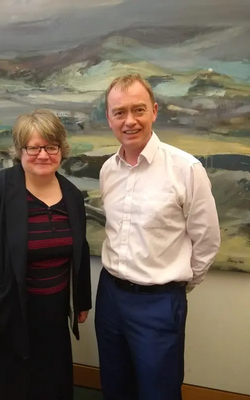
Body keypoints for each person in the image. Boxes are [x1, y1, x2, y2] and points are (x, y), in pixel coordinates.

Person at [0, 109, 91, 400]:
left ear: (61, 150)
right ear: (20, 150)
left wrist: (82, 300)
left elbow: (80, 249)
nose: (43, 155)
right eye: (33, 147)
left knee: (48, 387)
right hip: (3, 320)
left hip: (52, 320)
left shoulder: (72, 195)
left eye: (50, 146)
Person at [95, 74, 221, 400]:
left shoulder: (186, 169)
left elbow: (206, 240)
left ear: (154, 111)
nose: (129, 121)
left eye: (138, 110)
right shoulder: (108, 170)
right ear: (109, 118)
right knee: (114, 386)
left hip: (159, 302)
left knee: (158, 392)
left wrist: (174, 286)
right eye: (119, 112)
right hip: (109, 296)